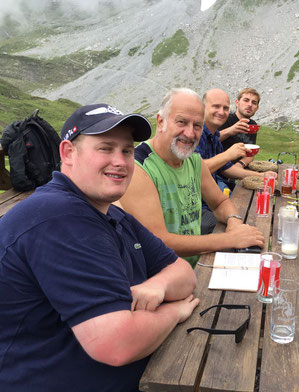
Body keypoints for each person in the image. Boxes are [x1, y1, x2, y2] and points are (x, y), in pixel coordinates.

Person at [0, 104, 199, 391]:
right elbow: (116, 345)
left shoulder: (109, 213)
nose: (120, 161)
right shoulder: (58, 217)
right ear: (68, 152)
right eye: (105, 148)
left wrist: (158, 286)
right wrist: (175, 312)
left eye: (127, 151)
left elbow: (183, 273)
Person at [119, 88, 265, 267]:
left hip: (195, 266)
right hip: (159, 280)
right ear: (161, 121)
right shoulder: (138, 167)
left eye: (197, 125)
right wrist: (229, 239)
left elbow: (219, 203)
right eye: (181, 122)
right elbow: (159, 241)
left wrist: (233, 220)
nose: (190, 133)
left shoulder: (194, 161)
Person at [219, 87, 261, 166]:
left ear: (257, 108)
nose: (250, 105)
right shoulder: (225, 118)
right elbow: (209, 140)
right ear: (237, 103)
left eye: (254, 103)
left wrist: (240, 164)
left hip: (238, 169)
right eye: (246, 100)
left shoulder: (252, 125)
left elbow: (251, 153)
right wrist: (230, 130)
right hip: (219, 168)